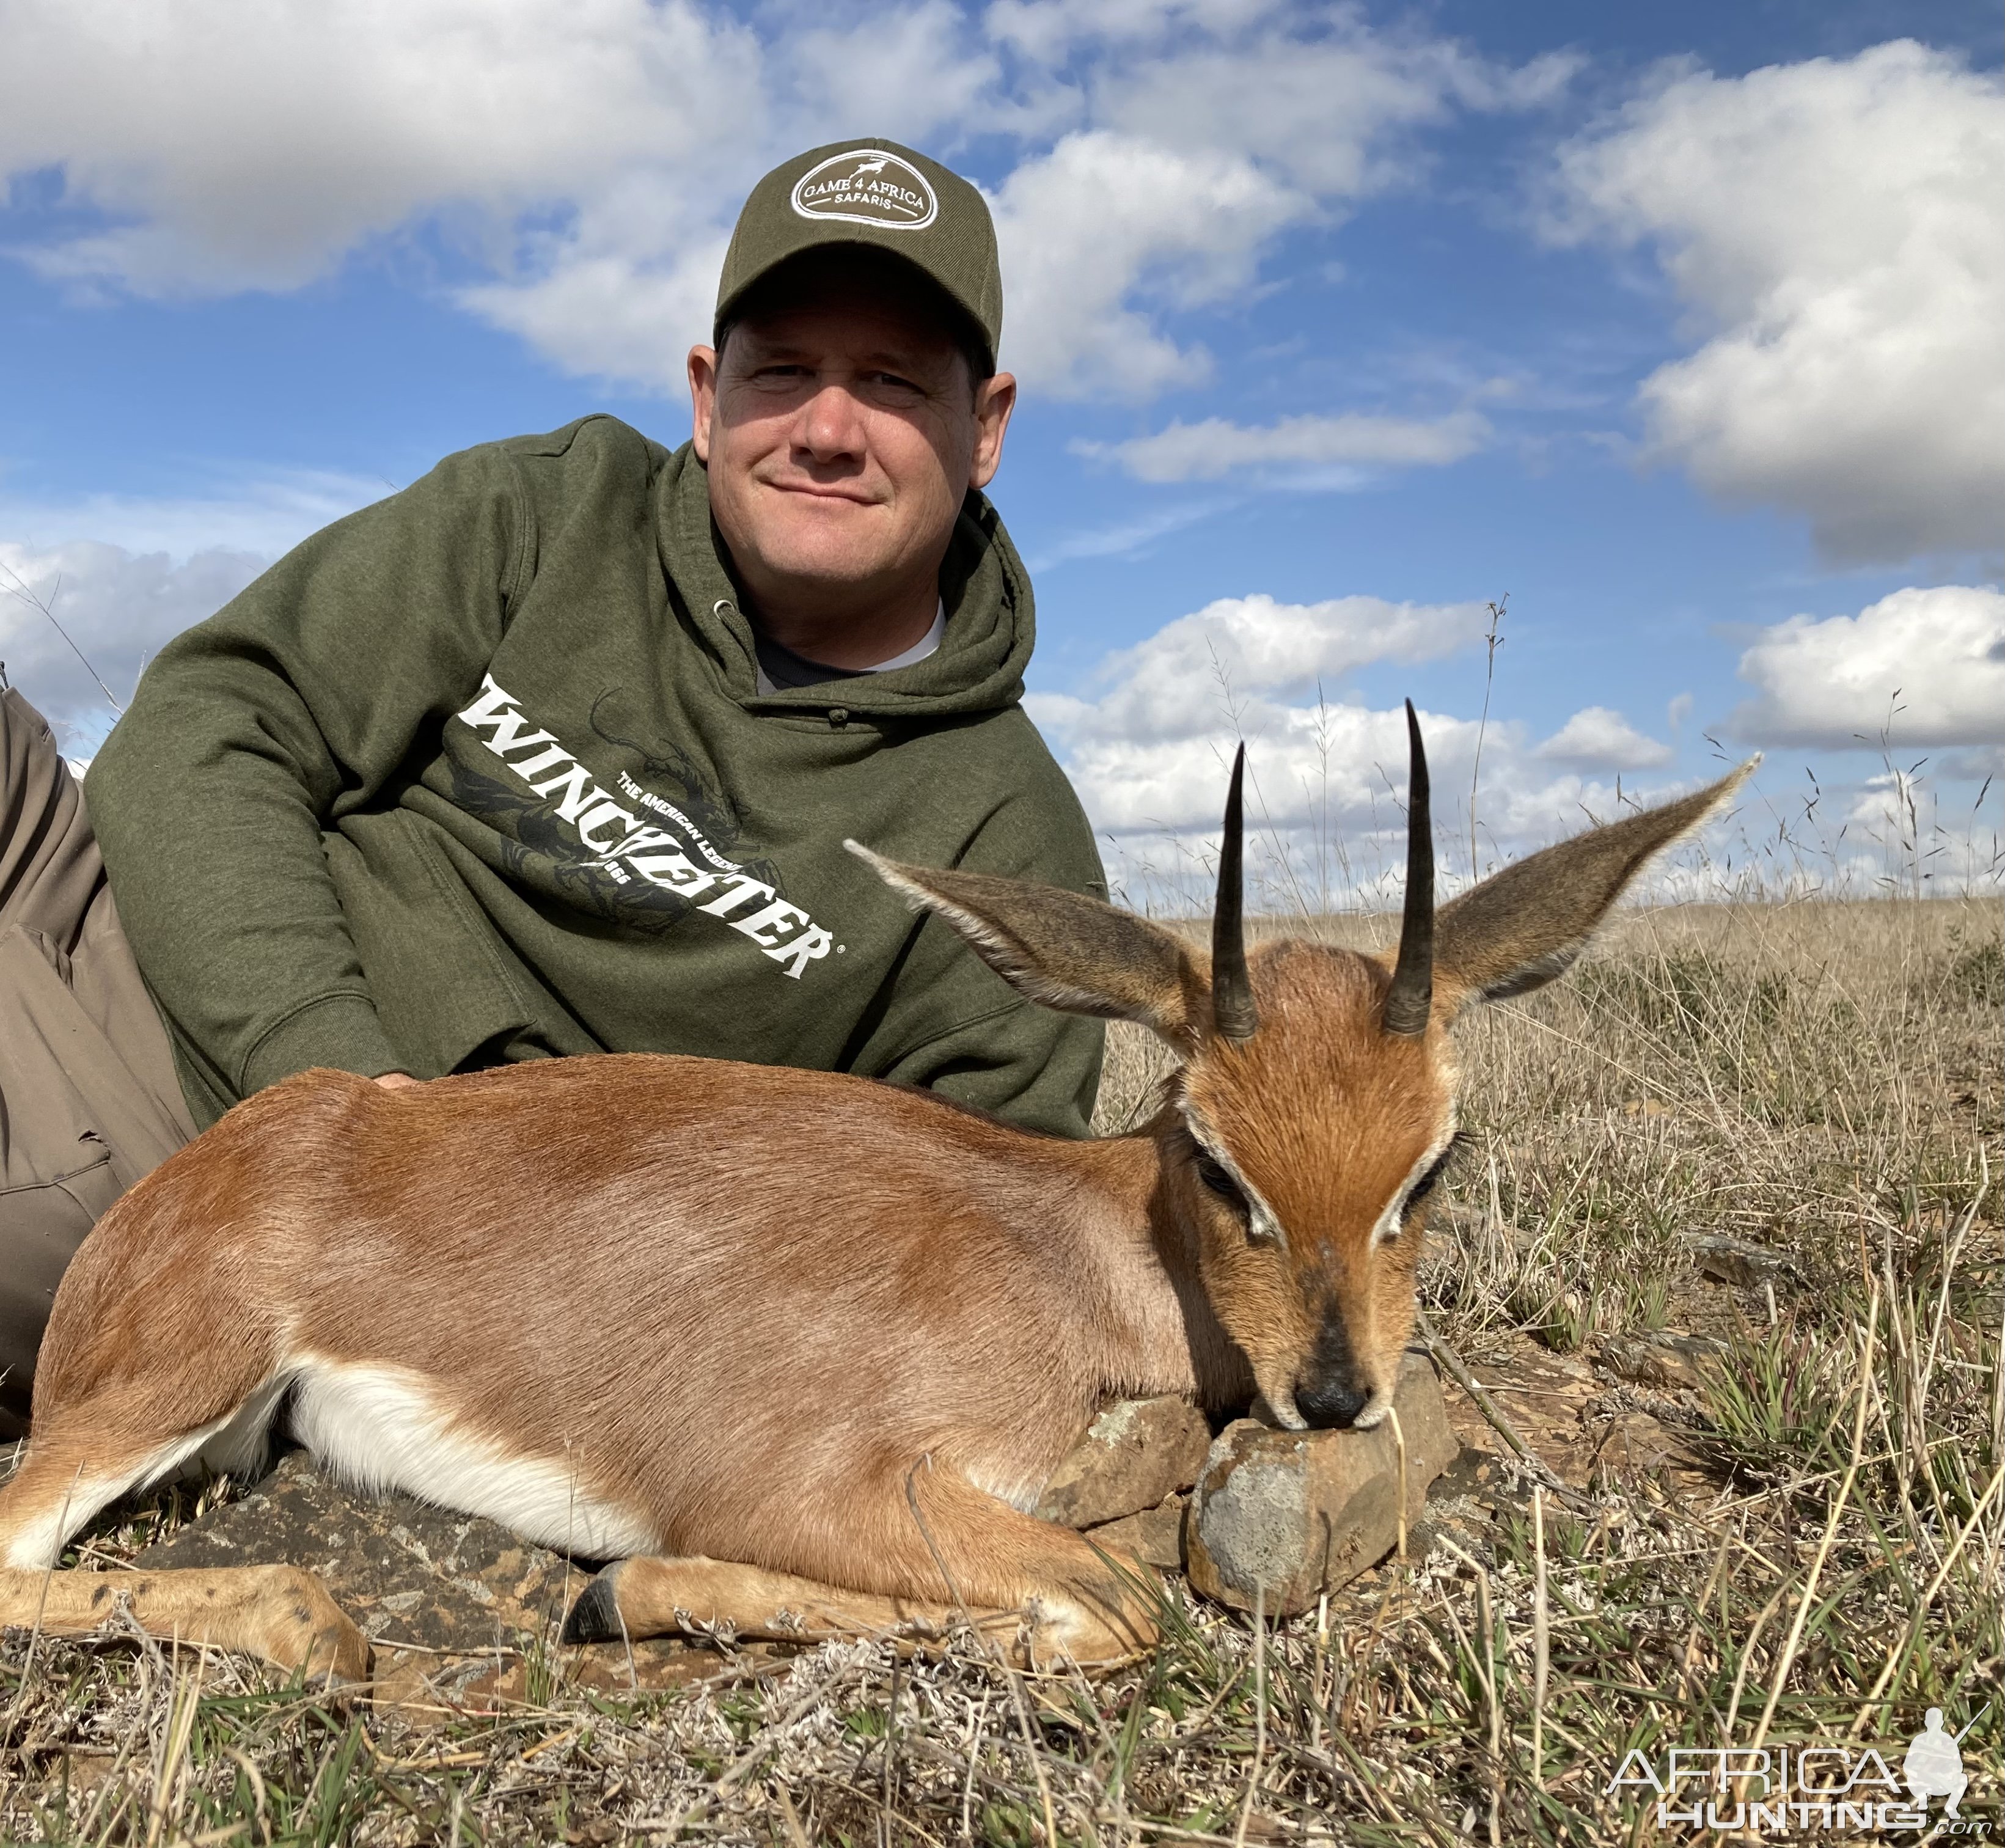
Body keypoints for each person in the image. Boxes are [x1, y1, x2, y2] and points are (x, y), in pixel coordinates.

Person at [0, 139, 1105, 1440]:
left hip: (196, 1162)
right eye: (783, 371)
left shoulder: (1008, 846)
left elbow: (968, 1267)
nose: (825, 428)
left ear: (985, 427)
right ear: (706, 396)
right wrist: (335, 1076)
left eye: (890, 382)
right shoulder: (548, 515)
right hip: (137, 905)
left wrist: (393, 1196)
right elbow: (206, 719)